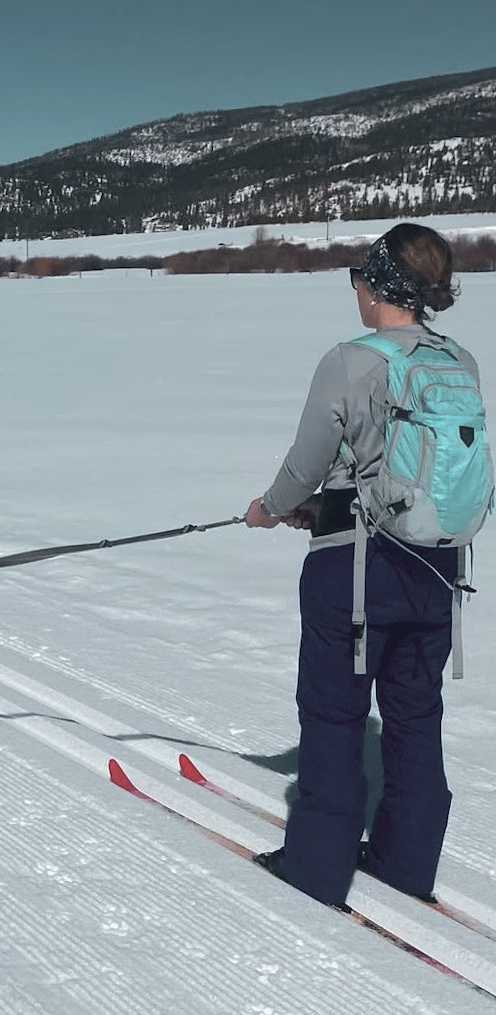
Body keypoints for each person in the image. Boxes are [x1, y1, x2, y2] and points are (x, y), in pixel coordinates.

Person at [244, 223, 485, 909]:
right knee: (414, 715)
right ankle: (405, 863)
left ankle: (315, 870)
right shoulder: (458, 361)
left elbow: (305, 465)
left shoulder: (350, 360)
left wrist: (270, 508)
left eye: (358, 278)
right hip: (437, 569)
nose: (354, 290)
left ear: (377, 286)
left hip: (354, 567)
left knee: (333, 713)